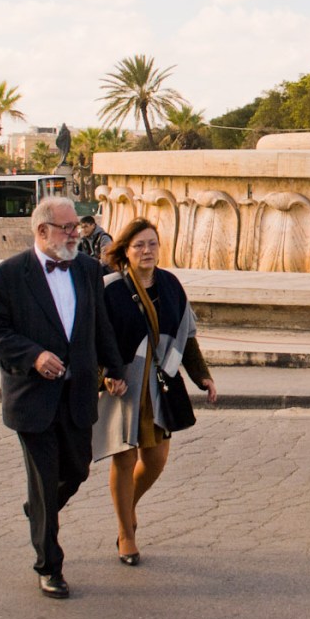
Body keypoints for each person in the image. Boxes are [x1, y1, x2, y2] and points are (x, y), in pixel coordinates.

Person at [0, 196, 126, 600]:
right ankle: (49, 565)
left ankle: (39, 512)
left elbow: (100, 325)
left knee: (77, 470)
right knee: (43, 481)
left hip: (78, 393)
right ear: (42, 231)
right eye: (67, 228)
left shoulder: (89, 270)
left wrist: (114, 369)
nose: (75, 233)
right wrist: (34, 356)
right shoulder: (7, 275)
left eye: (76, 226)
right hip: (32, 398)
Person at [96, 218, 216, 566]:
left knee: (156, 460)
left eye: (152, 244)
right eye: (138, 246)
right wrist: (105, 375)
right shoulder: (110, 289)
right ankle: (126, 534)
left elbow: (186, 333)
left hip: (161, 382)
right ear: (125, 251)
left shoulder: (171, 285)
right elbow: (96, 339)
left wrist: (202, 376)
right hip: (124, 384)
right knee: (125, 456)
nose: (146, 251)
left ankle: (127, 508)